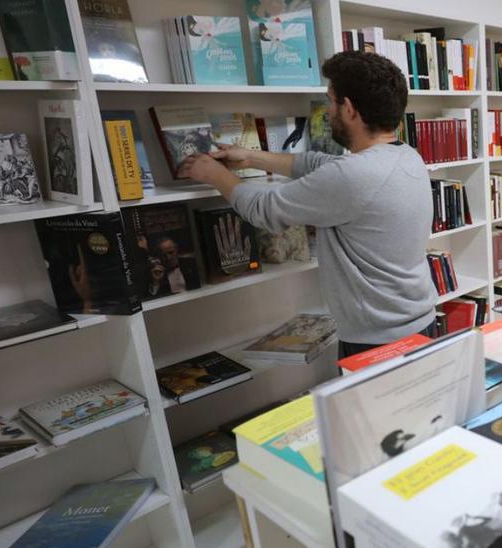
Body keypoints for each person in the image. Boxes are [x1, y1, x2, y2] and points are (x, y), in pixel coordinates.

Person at [178, 51, 435, 358]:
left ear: (349, 109)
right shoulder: (407, 156)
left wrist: (213, 173)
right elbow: (319, 164)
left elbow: (264, 209)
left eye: (331, 100)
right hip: (418, 324)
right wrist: (252, 157)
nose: (327, 111)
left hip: (378, 343)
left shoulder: (353, 176)